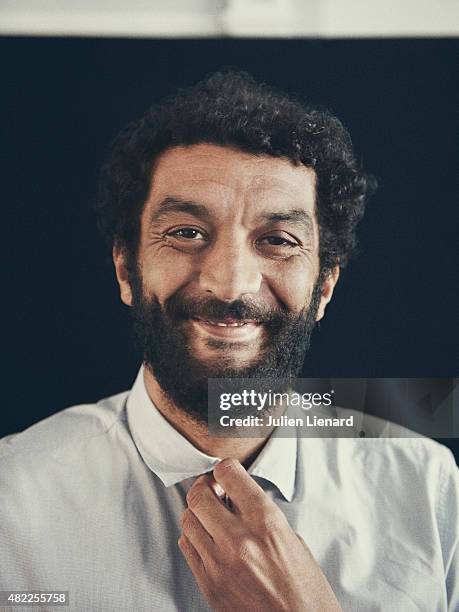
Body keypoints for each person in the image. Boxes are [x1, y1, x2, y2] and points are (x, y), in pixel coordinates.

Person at [0, 71, 457, 612]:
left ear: (325, 285)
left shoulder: (427, 489)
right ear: (127, 270)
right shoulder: (12, 498)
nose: (230, 283)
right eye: (186, 232)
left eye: (278, 240)